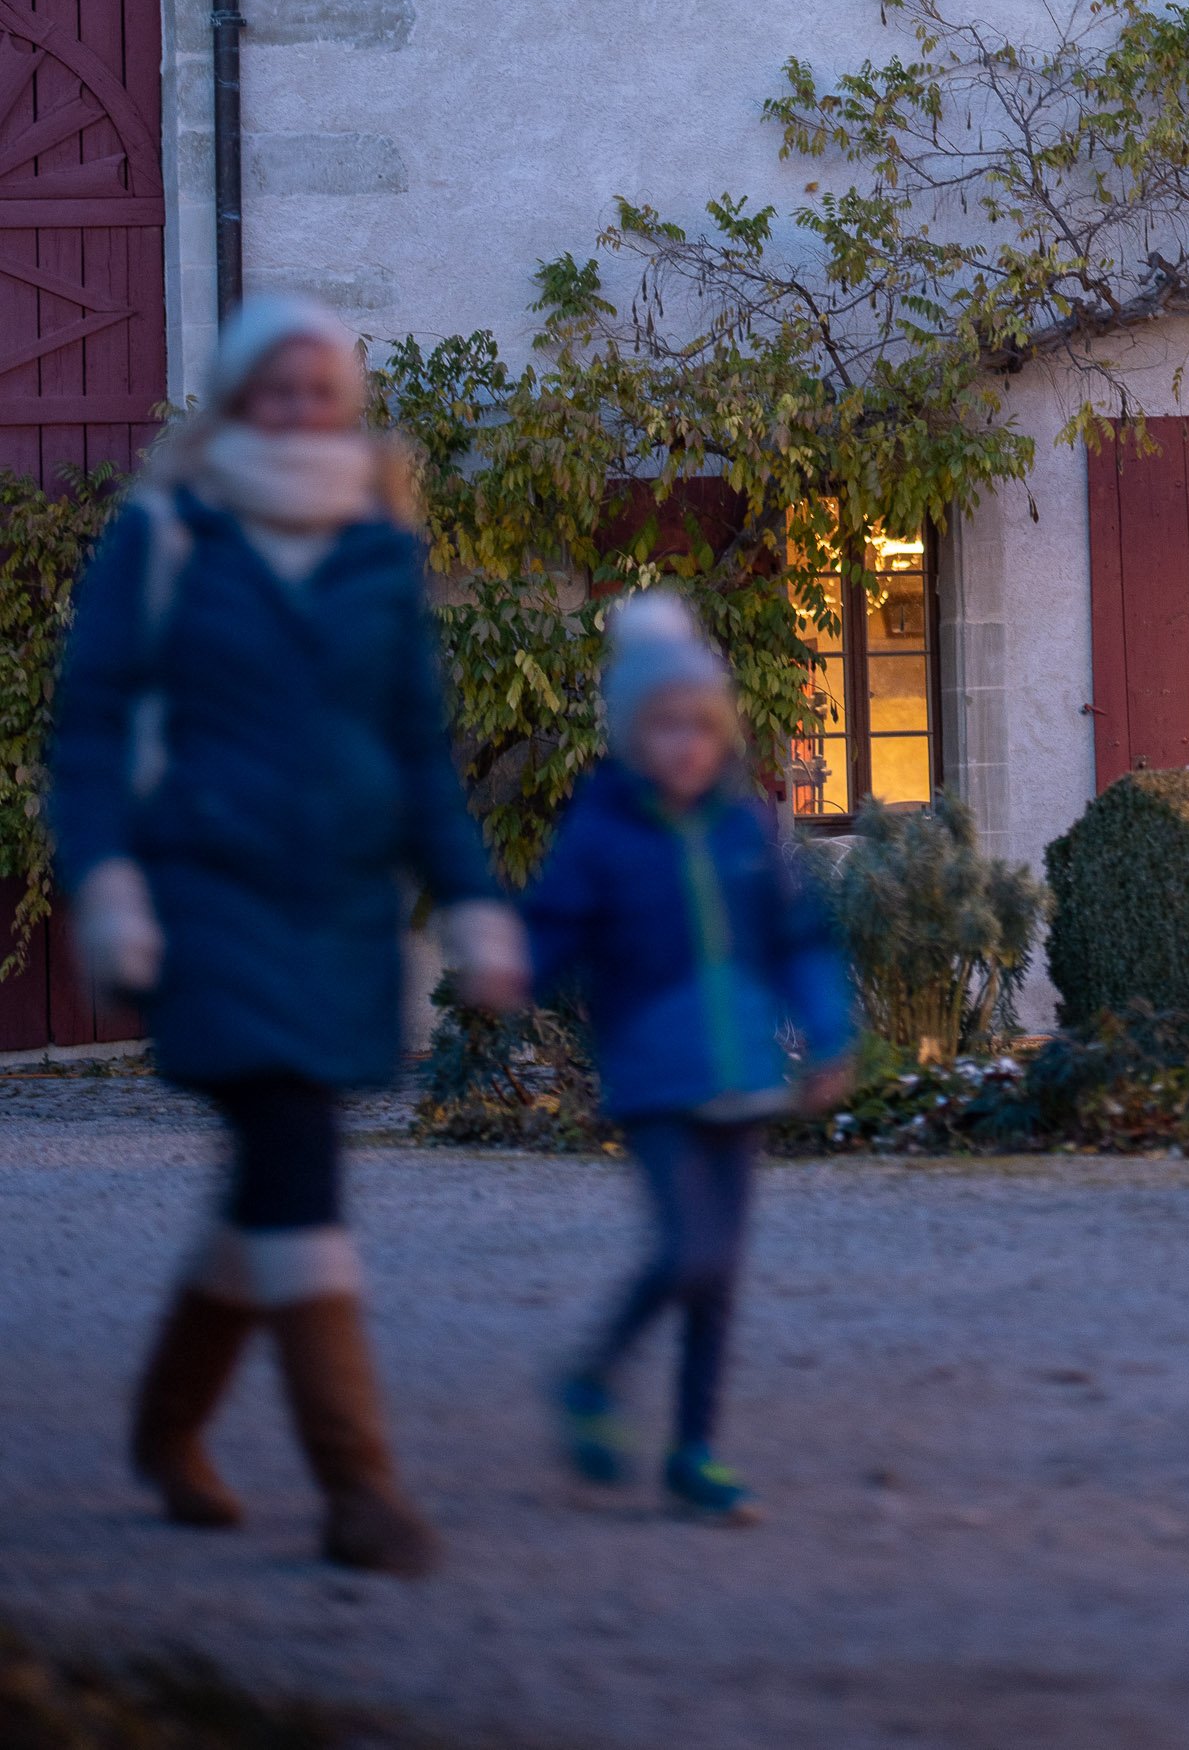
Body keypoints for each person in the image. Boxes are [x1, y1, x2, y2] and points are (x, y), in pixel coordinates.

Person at [48, 295, 526, 1572]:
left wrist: (471, 895)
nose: (303, 411)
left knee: (267, 1184)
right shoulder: (164, 539)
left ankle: (164, 1431)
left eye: (325, 392)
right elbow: (92, 731)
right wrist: (106, 882)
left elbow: (418, 754)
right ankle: (359, 1490)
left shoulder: (378, 554)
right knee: (297, 1162)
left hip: (341, 913)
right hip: (206, 899)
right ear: (238, 399)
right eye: (279, 389)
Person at [526, 592, 859, 1521]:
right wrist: (513, 965)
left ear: (720, 732)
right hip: (654, 1078)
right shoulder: (600, 831)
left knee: (718, 1272)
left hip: (745, 1073)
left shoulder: (748, 829)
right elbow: (554, 929)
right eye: (663, 725)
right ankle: (594, 1378)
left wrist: (827, 1034)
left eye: (699, 725)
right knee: (689, 1253)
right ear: (634, 735)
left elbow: (797, 941)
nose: (684, 744)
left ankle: (695, 1449)